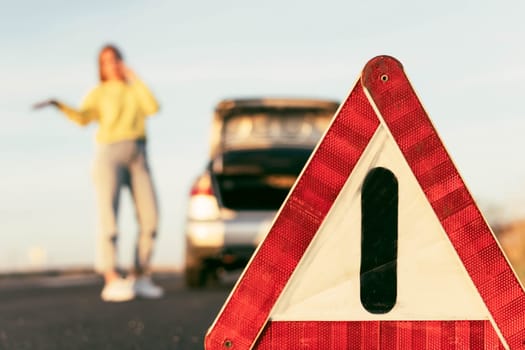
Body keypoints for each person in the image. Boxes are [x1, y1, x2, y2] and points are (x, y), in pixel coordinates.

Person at [36, 44, 163, 302]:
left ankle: (139, 276)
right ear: (101, 67)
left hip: (139, 153)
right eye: (106, 61)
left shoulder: (133, 89)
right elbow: (83, 118)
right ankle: (112, 278)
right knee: (109, 218)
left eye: (115, 59)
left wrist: (135, 78)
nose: (112, 64)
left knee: (150, 218)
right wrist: (59, 105)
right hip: (109, 153)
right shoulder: (98, 93)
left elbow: (152, 108)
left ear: (122, 62)